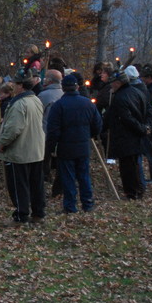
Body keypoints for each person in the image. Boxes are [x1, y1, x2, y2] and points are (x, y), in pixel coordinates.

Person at [45, 74, 102, 214]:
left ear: (63, 88)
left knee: (68, 177)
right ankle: (87, 203)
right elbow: (98, 125)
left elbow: (53, 130)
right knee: (84, 175)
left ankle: (70, 206)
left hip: (65, 147)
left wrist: (50, 147)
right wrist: (89, 135)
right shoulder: (88, 103)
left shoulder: (58, 106)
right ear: (77, 86)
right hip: (83, 146)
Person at [0, 76, 46, 223]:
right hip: (36, 150)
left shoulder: (19, 104)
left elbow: (13, 129)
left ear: (20, 86)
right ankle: (38, 213)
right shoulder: (36, 99)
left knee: (19, 185)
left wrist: (2, 143)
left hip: (20, 151)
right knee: (36, 184)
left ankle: (21, 215)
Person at [102, 69, 152, 200]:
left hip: (126, 137)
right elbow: (148, 111)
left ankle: (132, 192)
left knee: (128, 167)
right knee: (135, 164)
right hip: (137, 136)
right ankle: (139, 189)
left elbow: (126, 118)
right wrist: (147, 127)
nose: (111, 85)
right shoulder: (138, 92)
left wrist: (142, 128)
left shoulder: (120, 98)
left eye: (113, 83)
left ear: (118, 83)